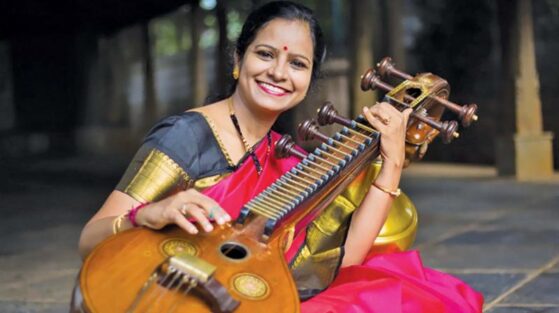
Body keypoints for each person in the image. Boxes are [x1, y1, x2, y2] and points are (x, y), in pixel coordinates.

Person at [78, 1, 483, 311]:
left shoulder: (288, 162)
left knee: (406, 296)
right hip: (163, 289)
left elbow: (345, 262)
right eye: (265, 54)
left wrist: (392, 161)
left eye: (297, 64)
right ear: (238, 61)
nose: (278, 72)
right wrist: (145, 215)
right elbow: (89, 238)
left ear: (309, 81)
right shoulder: (188, 136)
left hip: (249, 296)